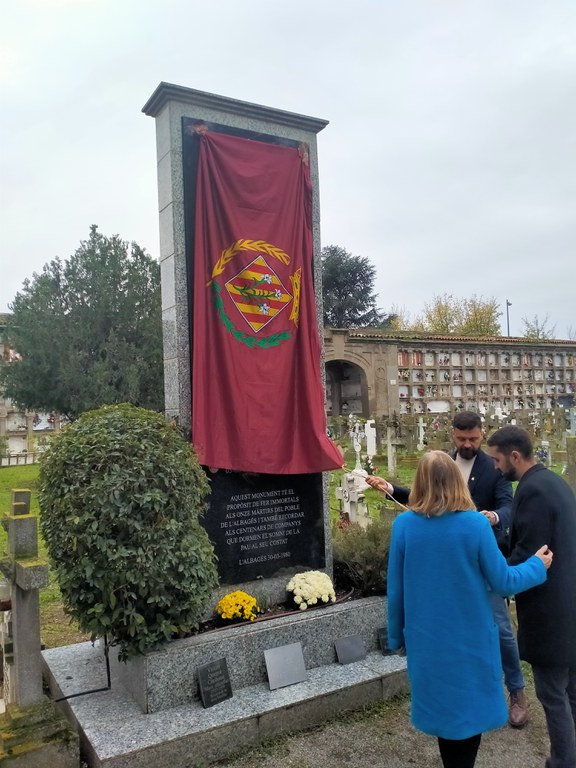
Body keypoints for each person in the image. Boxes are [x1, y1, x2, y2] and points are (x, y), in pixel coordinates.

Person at [386, 450, 552, 768]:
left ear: (419, 483)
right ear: (456, 481)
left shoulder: (405, 526)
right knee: (466, 719)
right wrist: (537, 565)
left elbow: (396, 591)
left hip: (427, 641)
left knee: (444, 717)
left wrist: (396, 638)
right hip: (468, 641)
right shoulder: (474, 525)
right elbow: (503, 581)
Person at [367, 411, 529, 727]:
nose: (467, 444)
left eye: (473, 439)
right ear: (453, 435)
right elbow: (425, 498)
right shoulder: (443, 463)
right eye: (461, 438)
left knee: (501, 630)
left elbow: (508, 505)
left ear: (482, 435)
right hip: (452, 563)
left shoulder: (493, 467)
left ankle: (517, 692)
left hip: (485, 557)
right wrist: (391, 487)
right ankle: (458, 693)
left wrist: (493, 518)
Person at [487, 425, 576, 768]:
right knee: (569, 690)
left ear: (514, 456)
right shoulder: (553, 481)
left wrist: (495, 575)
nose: (495, 467)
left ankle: (563, 761)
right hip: (568, 601)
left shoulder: (533, 490)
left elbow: (531, 553)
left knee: (552, 693)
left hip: (550, 610)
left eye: (497, 460)